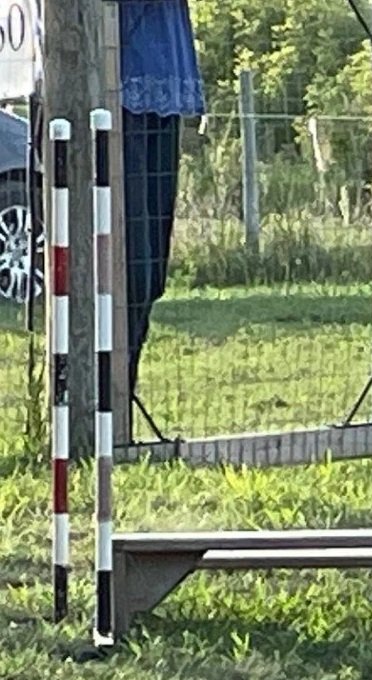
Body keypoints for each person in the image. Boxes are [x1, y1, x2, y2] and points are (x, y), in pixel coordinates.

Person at [119, 0, 205, 399]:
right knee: (131, 263)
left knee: (151, 267)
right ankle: (107, 398)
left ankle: (123, 395)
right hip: (114, 83)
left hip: (164, 80)